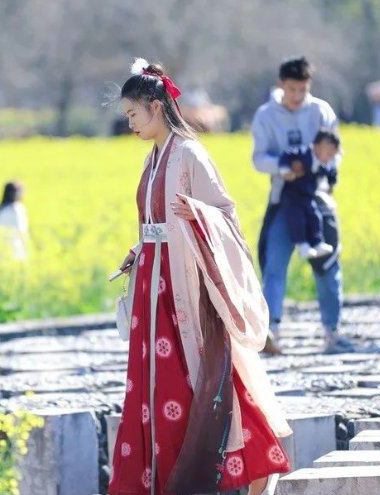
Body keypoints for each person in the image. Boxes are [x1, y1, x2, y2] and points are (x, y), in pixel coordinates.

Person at [108, 59, 291, 495]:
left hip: (184, 288)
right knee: (158, 385)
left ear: (156, 107)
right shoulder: (153, 157)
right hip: (154, 286)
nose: (130, 124)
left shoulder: (190, 153)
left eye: (133, 114)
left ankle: (255, 464)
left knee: (203, 376)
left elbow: (225, 214)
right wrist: (139, 250)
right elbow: (156, 222)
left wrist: (200, 215)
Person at [251, 56, 352, 355]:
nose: (297, 96)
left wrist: (320, 168)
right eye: (292, 89)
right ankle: (271, 332)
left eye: (303, 90)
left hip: (318, 198)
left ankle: (333, 331)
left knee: (327, 264)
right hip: (283, 198)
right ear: (281, 84)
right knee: (274, 265)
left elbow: (336, 151)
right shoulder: (265, 116)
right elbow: (259, 159)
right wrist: (284, 167)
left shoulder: (321, 111)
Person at [277, 129, 340, 259]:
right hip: (292, 195)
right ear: (316, 146)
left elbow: (331, 172)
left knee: (315, 217)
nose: (329, 158)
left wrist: (331, 183)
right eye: (328, 154)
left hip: (307, 196)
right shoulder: (303, 153)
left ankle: (317, 243)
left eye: (332, 156)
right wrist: (285, 170)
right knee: (297, 218)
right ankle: (302, 245)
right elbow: (286, 155)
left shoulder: (323, 164)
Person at [0, 181, 29, 260]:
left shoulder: (2, 209)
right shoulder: (18, 209)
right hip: (16, 251)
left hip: (0, 252)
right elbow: (21, 231)